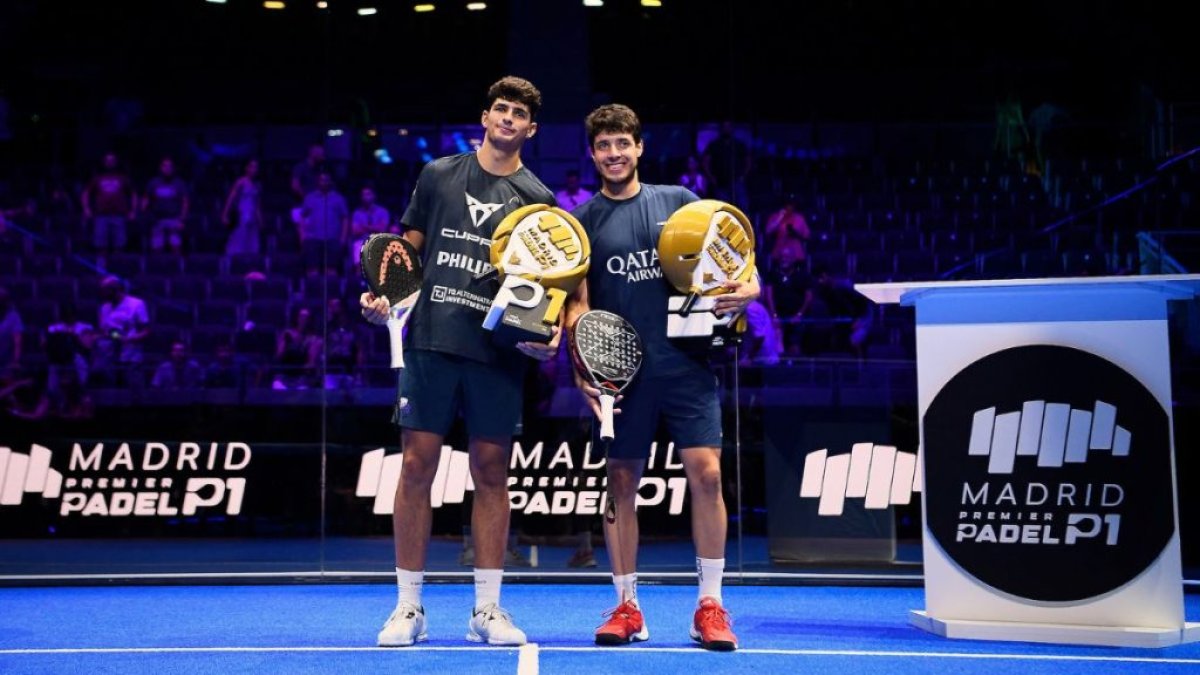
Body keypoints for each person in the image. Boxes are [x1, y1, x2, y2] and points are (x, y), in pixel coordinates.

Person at [359, 76, 557, 648]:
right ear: (486, 117)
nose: (508, 119)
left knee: (492, 473)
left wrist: (546, 335)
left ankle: (487, 610)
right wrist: (382, 299)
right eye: (501, 109)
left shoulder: (538, 199)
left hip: (496, 352)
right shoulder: (438, 175)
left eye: (519, 114)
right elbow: (405, 255)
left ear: (531, 129)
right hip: (430, 341)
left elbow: (543, 284)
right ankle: (409, 607)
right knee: (415, 466)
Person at [565, 104, 758, 651]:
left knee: (708, 476)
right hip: (620, 376)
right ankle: (626, 607)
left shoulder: (679, 203)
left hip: (686, 365)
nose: (614, 154)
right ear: (593, 154)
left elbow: (736, 261)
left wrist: (751, 287)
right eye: (604, 145)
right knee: (621, 484)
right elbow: (576, 307)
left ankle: (710, 606)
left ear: (639, 147)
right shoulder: (583, 221)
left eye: (622, 143)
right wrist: (583, 370)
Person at [93, 275, 150, 393]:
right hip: (110, 361)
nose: (102, 294)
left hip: (131, 359)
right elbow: (106, 331)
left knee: (134, 396)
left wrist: (129, 339)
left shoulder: (137, 304)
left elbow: (146, 331)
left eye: (105, 290)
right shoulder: (104, 308)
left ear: (115, 289)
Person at [81, 152, 136, 258]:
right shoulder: (97, 178)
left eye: (112, 160)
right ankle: (101, 267)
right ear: (104, 162)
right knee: (101, 247)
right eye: (108, 160)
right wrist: (86, 209)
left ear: (116, 162)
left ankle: (118, 266)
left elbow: (133, 194)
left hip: (119, 216)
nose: (110, 162)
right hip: (101, 216)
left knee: (119, 247)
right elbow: (86, 193)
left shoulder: (123, 178)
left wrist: (133, 210)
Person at [298, 172, 350, 277]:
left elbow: (345, 219)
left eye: (326, 180)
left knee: (331, 271)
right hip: (312, 239)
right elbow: (302, 217)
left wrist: (343, 238)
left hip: (332, 239)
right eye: (322, 180)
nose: (324, 182)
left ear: (330, 182)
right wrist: (302, 236)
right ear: (318, 181)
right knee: (312, 271)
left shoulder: (338, 198)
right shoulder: (310, 198)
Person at [142, 156, 190, 254]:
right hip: (157, 219)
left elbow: (185, 202)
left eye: (170, 166)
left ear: (173, 168)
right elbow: (146, 199)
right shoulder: (153, 183)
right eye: (165, 166)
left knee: (175, 246)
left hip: (174, 218)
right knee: (157, 248)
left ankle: (176, 264)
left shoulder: (179, 183)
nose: (167, 168)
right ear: (160, 167)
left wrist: (182, 219)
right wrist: (145, 213)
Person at [222, 158, 264, 256]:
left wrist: (261, 220)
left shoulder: (257, 186)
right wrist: (225, 214)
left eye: (256, 167)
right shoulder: (240, 182)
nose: (254, 169)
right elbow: (231, 198)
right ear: (247, 168)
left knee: (252, 245)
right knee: (239, 242)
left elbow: (257, 204)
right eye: (252, 167)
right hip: (242, 215)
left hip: (252, 218)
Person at [348, 184, 391, 273]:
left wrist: (364, 226)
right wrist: (374, 227)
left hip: (378, 241)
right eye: (363, 195)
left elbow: (383, 229)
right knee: (357, 248)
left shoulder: (382, 211)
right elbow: (355, 231)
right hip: (361, 241)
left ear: (374, 195)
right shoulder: (357, 213)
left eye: (368, 194)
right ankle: (359, 278)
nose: (366, 197)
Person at [0, 286, 23, 376]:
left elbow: (17, 343)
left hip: (7, 365)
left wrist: (16, 361)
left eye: (2, 300)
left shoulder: (14, 316)